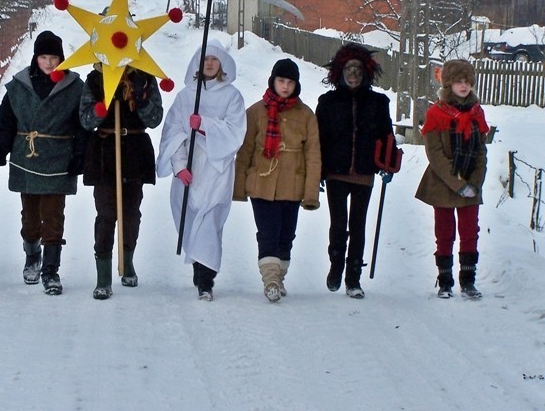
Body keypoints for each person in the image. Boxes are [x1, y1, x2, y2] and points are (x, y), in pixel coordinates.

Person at [0, 30, 87, 295]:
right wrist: (0, 150)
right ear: (36, 57)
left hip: (59, 158)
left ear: (61, 58)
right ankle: (32, 256)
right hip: (27, 158)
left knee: (53, 217)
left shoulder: (74, 87)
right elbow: (7, 124)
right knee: (30, 219)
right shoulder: (19, 86)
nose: (49, 62)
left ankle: (51, 271)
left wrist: (80, 154)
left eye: (54, 56)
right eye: (44, 56)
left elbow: (82, 127)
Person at [157, 39, 246, 301]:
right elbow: (172, 133)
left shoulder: (232, 96)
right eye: (205, 58)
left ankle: (206, 279)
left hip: (217, 169)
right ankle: (198, 267)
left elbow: (235, 132)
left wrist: (204, 124)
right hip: (190, 170)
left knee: (210, 223)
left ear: (222, 64)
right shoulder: (185, 96)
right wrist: (179, 166)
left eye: (214, 59)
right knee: (190, 219)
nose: (209, 63)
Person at [234, 58, 321, 302]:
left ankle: (279, 276)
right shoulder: (255, 112)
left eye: (290, 82)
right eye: (281, 81)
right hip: (261, 181)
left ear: (296, 85)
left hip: (292, 184)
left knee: (286, 235)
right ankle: (270, 279)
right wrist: (239, 186)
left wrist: (311, 192)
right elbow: (245, 150)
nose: (285, 86)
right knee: (267, 232)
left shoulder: (306, 116)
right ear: (272, 81)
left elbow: (313, 155)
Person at [315, 42, 394, 299]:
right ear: (339, 72)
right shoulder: (327, 102)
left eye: (358, 69)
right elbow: (318, 139)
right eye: (349, 69)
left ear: (366, 72)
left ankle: (353, 278)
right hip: (335, 172)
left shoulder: (378, 102)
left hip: (364, 172)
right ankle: (336, 266)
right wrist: (317, 171)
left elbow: (387, 135)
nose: (353, 74)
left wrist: (388, 164)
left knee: (358, 225)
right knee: (338, 224)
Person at [80, 64, 163, 300]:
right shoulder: (95, 79)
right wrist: (104, 103)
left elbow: (155, 118)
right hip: (105, 152)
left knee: (131, 213)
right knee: (106, 214)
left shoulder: (145, 79)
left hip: (135, 152)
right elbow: (85, 120)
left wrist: (140, 97)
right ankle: (103, 276)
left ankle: (127, 263)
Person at [415, 59, 489, 299]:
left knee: (470, 232)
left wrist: (474, 184)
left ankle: (468, 280)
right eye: (459, 81)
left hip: (470, 183)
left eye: (467, 81)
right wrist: (458, 185)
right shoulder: (436, 113)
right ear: (449, 84)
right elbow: (435, 155)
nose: (464, 86)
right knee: (445, 233)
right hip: (443, 184)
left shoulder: (477, 112)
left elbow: (480, 152)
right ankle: (445, 280)